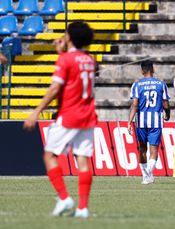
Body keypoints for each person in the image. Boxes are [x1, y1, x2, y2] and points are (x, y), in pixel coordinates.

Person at [24, 21, 96, 218]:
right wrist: (62, 53)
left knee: (50, 155)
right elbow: (76, 73)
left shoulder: (66, 60)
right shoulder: (89, 60)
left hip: (69, 114)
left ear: (70, 37)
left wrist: (36, 111)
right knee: (83, 160)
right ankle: (83, 208)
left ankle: (64, 198)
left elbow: (55, 88)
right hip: (88, 115)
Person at [128, 60, 171, 185]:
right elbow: (166, 104)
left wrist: (129, 121)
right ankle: (148, 174)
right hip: (156, 122)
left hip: (140, 122)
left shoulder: (137, 85)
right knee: (154, 150)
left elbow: (134, 105)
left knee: (142, 150)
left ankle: (146, 176)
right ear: (153, 69)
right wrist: (167, 114)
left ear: (142, 71)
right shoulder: (161, 84)